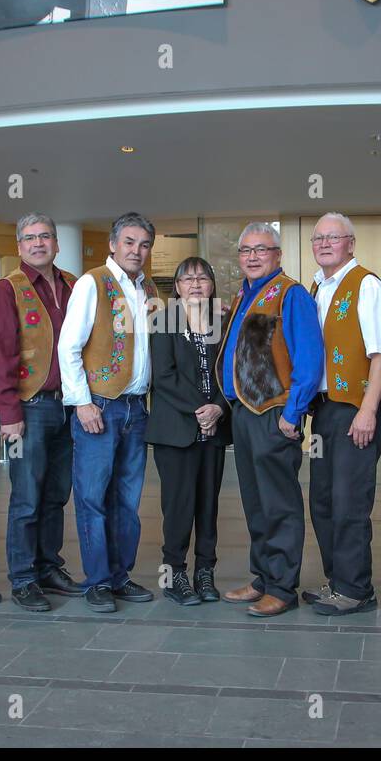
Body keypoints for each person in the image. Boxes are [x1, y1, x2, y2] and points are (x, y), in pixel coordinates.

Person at [218, 222, 324, 618]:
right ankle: (263, 576)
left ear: (277, 255)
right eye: (246, 250)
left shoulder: (291, 294)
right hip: (244, 413)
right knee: (255, 502)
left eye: (261, 249)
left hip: (275, 413)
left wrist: (292, 413)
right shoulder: (244, 294)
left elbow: (310, 361)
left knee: (278, 503)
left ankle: (282, 586)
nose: (252, 256)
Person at [57, 212, 158, 613]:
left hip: (137, 408)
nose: (137, 250)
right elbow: (69, 346)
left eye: (144, 244)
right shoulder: (92, 282)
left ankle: (120, 575)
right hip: (99, 406)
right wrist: (82, 402)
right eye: (129, 242)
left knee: (128, 500)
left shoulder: (147, 288)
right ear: (113, 244)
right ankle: (97, 580)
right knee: (93, 498)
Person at [0, 213, 84, 612]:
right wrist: (9, 415)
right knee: (26, 496)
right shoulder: (5, 290)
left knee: (57, 494)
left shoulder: (74, 285)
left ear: (57, 244)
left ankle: (48, 567)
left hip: (69, 407)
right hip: (28, 409)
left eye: (45, 236)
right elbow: (0, 356)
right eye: (29, 238)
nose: (38, 243)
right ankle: (24, 578)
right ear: (19, 245)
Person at [303, 214, 381, 616]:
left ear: (351, 244)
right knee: (321, 500)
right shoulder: (317, 287)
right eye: (318, 238)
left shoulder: (366, 285)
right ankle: (337, 580)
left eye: (333, 238)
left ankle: (357, 588)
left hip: (354, 411)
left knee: (349, 502)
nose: (324, 243)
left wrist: (369, 410)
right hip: (323, 413)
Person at [145, 256, 229, 606]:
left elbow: (232, 371)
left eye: (202, 278)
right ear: (176, 287)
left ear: (212, 284)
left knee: (208, 506)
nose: (195, 284)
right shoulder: (163, 322)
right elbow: (163, 377)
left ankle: (205, 573)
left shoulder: (223, 322)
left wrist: (219, 408)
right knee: (178, 506)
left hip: (215, 430)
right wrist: (201, 410)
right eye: (187, 279)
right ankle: (174, 574)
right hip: (176, 430)